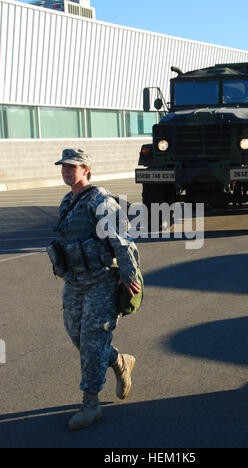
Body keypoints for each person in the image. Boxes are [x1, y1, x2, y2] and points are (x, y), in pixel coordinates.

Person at [47, 148, 141, 431]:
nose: (66, 171)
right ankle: (119, 360)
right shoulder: (68, 200)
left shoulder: (100, 200)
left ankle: (91, 404)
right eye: (63, 166)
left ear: (86, 169)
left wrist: (128, 275)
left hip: (101, 281)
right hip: (75, 283)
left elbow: (121, 239)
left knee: (91, 340)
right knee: (77, 337)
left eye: (72, 167)